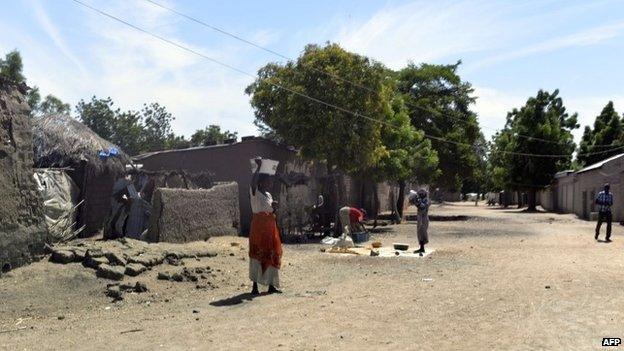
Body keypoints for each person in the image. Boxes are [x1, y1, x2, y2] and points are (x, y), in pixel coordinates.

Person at [249, 158, 282, 295]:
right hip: (258, 227)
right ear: (261, 182)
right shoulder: (255, 192)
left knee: (272, 253)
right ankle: (255, 286)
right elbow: (252, 182)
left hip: (270, 227)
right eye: (268, 181)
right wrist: (258, 167)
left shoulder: (268, 195)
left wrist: (274, 207)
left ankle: (272, 285)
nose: (270, 183)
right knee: (257, 254)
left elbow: (271, 211)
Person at [411, 189, 430, 253]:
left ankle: (422, 248)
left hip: (424, 219)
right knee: (419, 233)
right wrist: (415, 200)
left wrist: (417, 201)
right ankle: (421, 248)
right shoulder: (421, 200)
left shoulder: (426, 201)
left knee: (422, 233)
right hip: (420, 219)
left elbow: (422, 207)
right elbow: (417, 204)